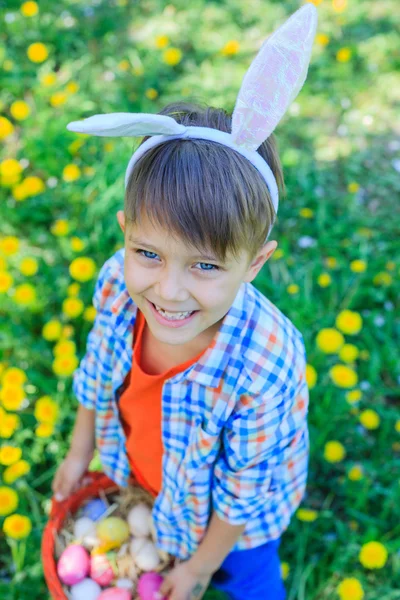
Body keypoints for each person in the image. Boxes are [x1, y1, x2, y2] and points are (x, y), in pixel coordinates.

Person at [51, 5, 318, 599]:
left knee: (247, 584)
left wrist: (198, 568)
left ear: (254, 264)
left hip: (235, 530)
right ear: (125, 231)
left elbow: (244, 490)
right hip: (147, 476)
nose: (167, 292)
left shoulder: (266, 362)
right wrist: (79, 451)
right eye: (148, 253)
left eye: (204, 266)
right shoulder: (117, 285)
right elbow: (98, 371)